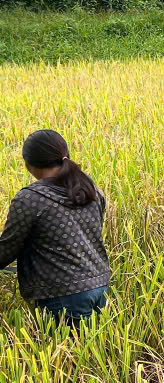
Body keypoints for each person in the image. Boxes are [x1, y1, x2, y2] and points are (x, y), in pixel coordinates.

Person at [0, 130, 110, 327]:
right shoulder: (90, 189)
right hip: (99, 286)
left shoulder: (30, 199)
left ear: (28, 163)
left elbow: (6, 250)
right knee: (91, 353)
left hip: (62, 295)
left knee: (67, 354)